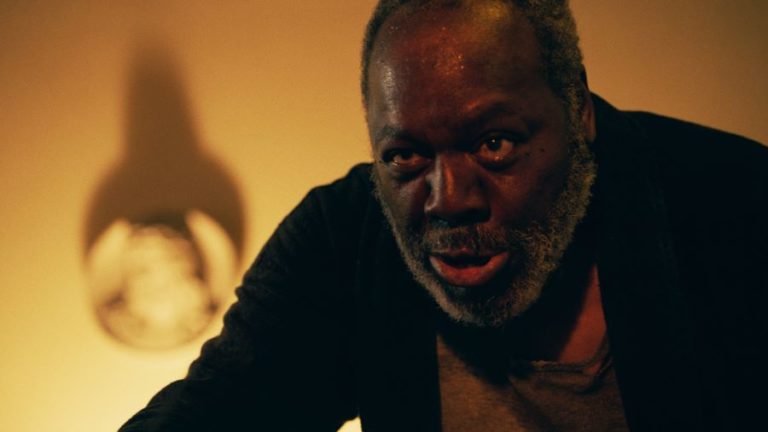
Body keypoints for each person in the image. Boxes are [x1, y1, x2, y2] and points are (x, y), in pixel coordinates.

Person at [120, 0, 767, 431]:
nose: (449, 198)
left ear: (580, 110)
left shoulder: (733, 206)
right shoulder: (345, 240)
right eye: (405, 156)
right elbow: (219, 409)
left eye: (494, 144)